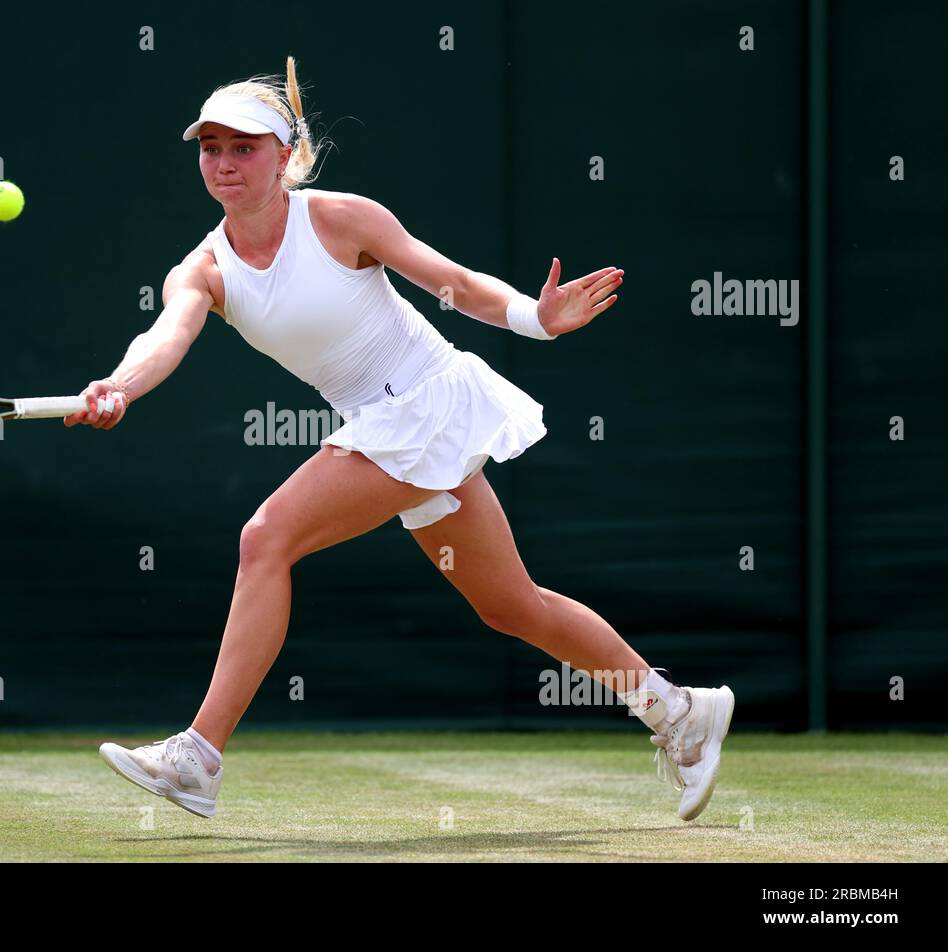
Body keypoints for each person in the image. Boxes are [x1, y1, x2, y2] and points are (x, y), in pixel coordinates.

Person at [68, 57, 734, 822]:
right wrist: (118, 384)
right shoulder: (205, 269)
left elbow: (449, 279)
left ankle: (200, 756)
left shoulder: (342, 218)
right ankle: (678, 710)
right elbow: (163, 339)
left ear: (284, 156)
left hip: (427, 404)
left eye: (243, 147)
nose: (224, 163)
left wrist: (533, 317)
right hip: (386, 425)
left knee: (266, 538)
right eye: (210, 147)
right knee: (511, 605)